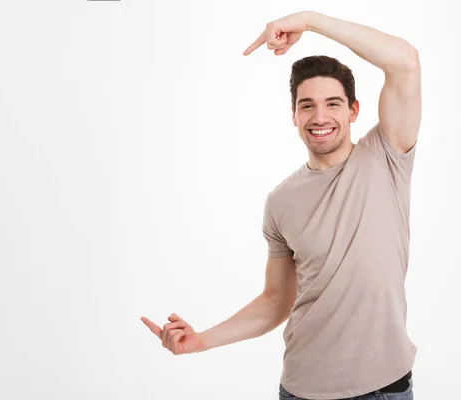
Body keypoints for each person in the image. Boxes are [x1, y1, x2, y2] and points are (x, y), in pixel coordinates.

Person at [141, 10, 421, 400]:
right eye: (307, 105)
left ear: (354, 110)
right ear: (293, 115)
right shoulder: (280, 201)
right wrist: (201, 341)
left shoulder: (387, 156)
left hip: (383, 389)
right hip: (301, 389)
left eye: (333, 104)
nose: (319, 117)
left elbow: (405, 61)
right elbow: (276, 301)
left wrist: (309, 20)